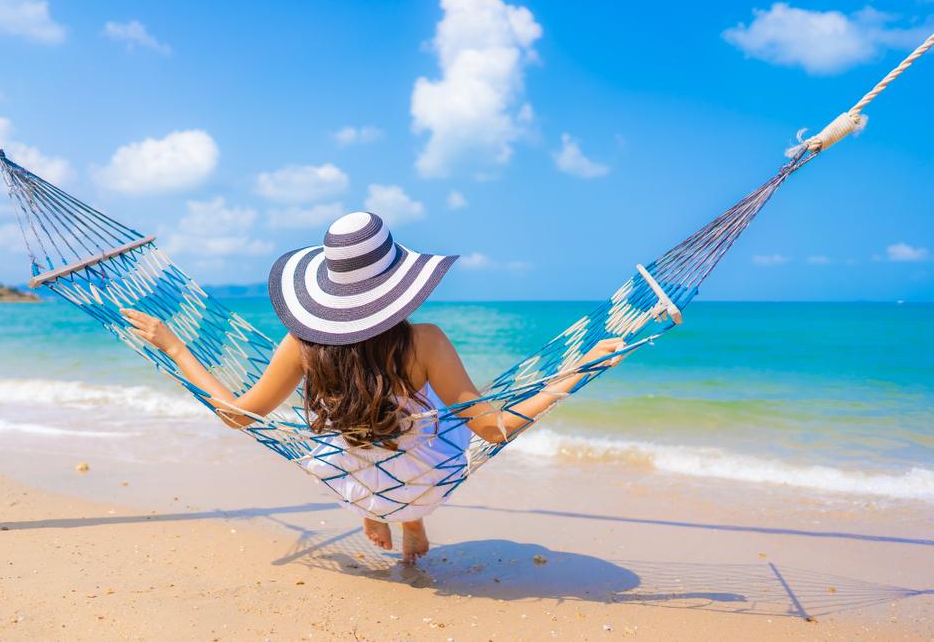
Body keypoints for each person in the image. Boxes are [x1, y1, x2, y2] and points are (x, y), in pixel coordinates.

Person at [121, 212, 624, 563]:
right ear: (398, 284)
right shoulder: (425, 342)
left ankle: (380, 512)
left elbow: (237, 415)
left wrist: (176, 348)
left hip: (353, 475)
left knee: (347, 432)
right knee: (438, 418)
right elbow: (492, 429)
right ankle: (409, 518)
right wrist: (578, 371)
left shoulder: (301, 346)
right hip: (422, 476)